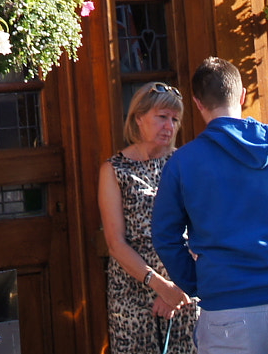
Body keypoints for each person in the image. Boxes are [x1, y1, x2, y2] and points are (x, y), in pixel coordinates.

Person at [151, 57, 268, 354]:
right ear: (242, 95)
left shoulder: (183, 163)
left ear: (198, 104)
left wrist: (197, 282)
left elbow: (164, 235)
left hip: (227, 309)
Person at [100, 82, 197, 354]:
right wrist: (159, 285)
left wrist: (176, 289)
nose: (169, 125)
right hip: (132, 292)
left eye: (175, 119)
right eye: (162, 117)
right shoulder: (114, 170)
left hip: (184, 291)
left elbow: (205, 230)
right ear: (139, 118)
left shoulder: (187, 164)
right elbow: (115, 243)